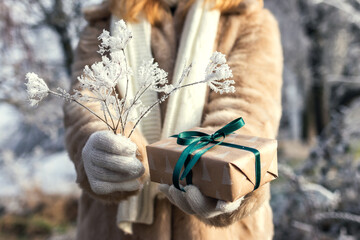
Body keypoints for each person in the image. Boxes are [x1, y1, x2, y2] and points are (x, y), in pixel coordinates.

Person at [63, 0, 283, 239]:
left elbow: (248, 105)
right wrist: (105, 147)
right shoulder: (102, 24)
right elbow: (88, 98)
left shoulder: (247, 18)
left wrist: (221, 172)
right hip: (114, 227)